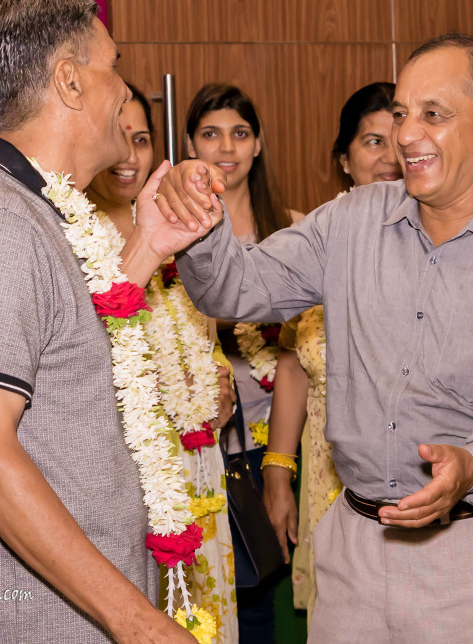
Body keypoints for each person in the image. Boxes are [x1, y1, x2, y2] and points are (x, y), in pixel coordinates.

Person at [156, 33, 473, 643]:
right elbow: (235, 288)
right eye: (401, 114)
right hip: (354, 556)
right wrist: (199, 223)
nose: (407, 134)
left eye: (433, 115)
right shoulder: (351, 219)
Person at [0, 0, 209, 643]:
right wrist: (138, 622)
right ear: (71, 81)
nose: (125, 93)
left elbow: (61, 348)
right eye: (114, 67)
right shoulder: (1, 223)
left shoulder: (35, 210)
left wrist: (145, 248)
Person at [85, 83, 239, 641]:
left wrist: (222, 386)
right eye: (117, 138)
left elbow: (205, 333)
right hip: (133, 466)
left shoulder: (176, 229)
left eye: (142, 140)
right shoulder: (77, 239)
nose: (129, 156)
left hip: (199, 458)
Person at [263, 82, 400, 617]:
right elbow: (296, 365)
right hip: (326, 472)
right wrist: (278, 472)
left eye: (398, 139)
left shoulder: (438, 235)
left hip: (410, 474)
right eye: (372, 142)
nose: (389, 157)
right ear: (344, 160)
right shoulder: (318, 241)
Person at [183, 82, 302, 642]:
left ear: (258, 145)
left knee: (280, 602)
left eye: (239, 132)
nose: (226, 147)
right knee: (217, 605)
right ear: (190, 146)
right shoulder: (172, 241)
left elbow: (303, 353)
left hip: (282, 448)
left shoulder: (295, 234)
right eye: (211, 134)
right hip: (205, 453)